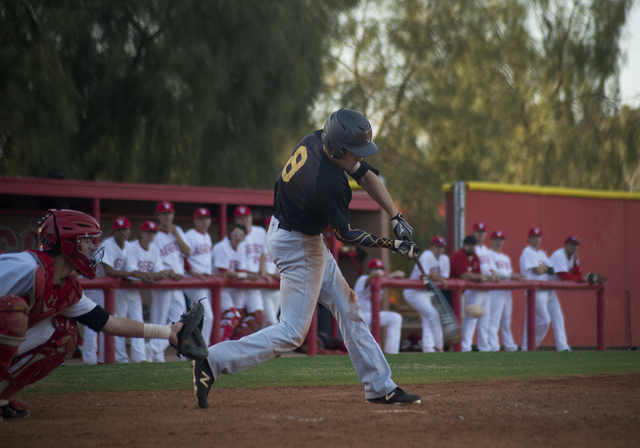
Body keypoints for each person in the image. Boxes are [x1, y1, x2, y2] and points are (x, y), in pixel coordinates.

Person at [192, 108, 421, 408]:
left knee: (348, 307)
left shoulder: (318, 139)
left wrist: (395, 216)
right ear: (338, 148)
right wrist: (393, 245)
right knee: (292, 333)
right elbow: (346, 235)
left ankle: (380, 386)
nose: (359, 157)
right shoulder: (328, 183)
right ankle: (213, 361)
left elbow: (365, 176)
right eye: (354, 152)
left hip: (294, 233)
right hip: (298, 244)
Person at [0, 210, 187, 420]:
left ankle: (1, 397)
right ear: (69, 242)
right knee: (12, 310)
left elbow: (108, 322)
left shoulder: (67, 287)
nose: (92, 248)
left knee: (64, 334)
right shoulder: (27, 267)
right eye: (87, 241)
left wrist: (168, 332)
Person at [146, 201, 191, 362]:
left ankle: (152, 350)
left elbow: (188, 252)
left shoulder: (176, 231)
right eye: (164, 213)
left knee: (181, 322)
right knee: (159, 321)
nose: (167, 216)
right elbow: (152, 259)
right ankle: (155, 356)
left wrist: (176, 234)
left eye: (170, 213)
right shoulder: (154, 234)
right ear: (157, 216)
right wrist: (168, 272)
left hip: (177, 283)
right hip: (163, 282)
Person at [117, 221, 166, 363]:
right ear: (141, 233)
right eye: (148, 232)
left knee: (138, 323)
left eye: (154, 232)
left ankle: (140, 358)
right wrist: (149, 275)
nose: (151, 235)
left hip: (133, 290)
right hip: (121, 288)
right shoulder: (131, 246)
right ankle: (120, 359)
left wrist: (161, 273)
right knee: (119, 323)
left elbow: (157, 271)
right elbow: (130, 271)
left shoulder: (154, 248)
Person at [519, 227, 570, 351]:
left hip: (547, 288)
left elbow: (552, 269)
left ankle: (562, 347)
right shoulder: (527, 252)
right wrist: (545, 268)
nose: (537, 239)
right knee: (544, 321)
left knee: (558, 316)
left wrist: (545, 268)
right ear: (529, 239)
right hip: (535, 290)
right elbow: (537, 271)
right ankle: (529, 346)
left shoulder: (542, 253)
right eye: (534, 237)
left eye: (538, 236)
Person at [403, 236, 450, 353]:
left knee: (428, 317)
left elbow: (444, 278)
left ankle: (428, 348)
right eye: (437, 246)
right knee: (433, 314)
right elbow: (423, 276)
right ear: (431, 246)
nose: (440, 249)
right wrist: (435, 276)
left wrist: (436, 276)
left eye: (442, 247)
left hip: (425, 293)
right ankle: (439, 347)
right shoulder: (427, 255)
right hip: (413, 292)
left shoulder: (444, 259)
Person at [211, 223, 257, 341]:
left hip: (226, 287)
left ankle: (224, 344)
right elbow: (224, 271)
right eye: (235, 234)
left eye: (241, 235)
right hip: (214, 286)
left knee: (235, 317)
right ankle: (218, 344)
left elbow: (239, 271)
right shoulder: (222, 247)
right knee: (230, 316)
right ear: (230, 235)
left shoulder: (241, 247)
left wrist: (241, 274)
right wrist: (246, 275)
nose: (237, 237)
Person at [450, 235, 492, 352]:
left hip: (459, 292)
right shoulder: (459, 255)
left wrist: (482, 277)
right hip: (448, 291)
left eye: (473, 245)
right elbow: (464, 275)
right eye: (468, 245)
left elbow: (476, 275)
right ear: (464, 245)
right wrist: (480, 277)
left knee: (475, 318)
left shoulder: (475, 257)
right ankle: (461, 347)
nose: (471, 247)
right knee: (451, 320)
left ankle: (480, 346)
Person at [354, 259, 404, 354]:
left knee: (395, 318)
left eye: (380, 268)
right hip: (360, 316)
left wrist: (393, 275)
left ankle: (392, 352)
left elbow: (399, 274)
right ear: (369, 269)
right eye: (375, 268)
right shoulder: (362, 279)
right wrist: (382, 274)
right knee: (366, 351)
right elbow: (375, 276)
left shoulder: (381, 280)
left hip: (373, 315)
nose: (378, 270)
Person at [487, 231, 526, 352]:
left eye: (501, 240)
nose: (499, 242)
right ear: (491, 241)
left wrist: (514, 276)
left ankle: (510, 346)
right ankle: (493, 347)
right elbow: (494, 271)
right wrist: (515, 276)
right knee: (493, 321)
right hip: (495, 291)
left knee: (506, 320)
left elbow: (508, 274)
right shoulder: (488, 254)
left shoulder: (505, 257)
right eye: (496, 239)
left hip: (506, 291)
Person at [232, 206, 266, 338]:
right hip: (239, 280)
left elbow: (263, 254)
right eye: (241, 218)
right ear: (236, 220)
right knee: (236, 318)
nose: (244, 220)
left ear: (251, 217)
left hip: (254, 279)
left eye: (246, 216)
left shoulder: (260, 232)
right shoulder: (234, 236)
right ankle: (227, 345)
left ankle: (236, 343)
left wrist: (262, 272)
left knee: (259, 317)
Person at [183, 208, 215, 346]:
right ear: (195, 220)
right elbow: (182, 257)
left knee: (195, 318)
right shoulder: (190, 235)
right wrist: (193, 273)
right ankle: (201, 347)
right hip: (193, 280)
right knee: (207, 316)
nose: (204, 221)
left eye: (206, 218)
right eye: (201, 218)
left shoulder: (207, 236)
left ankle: (188, 349)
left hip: (204, 280)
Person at [259, 216, 281, 328]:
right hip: (265, 287)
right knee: (272, 322)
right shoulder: (263, 241)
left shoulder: (282, 243)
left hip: (278, 289)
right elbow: (259, 267)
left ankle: (261, 346)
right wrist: (269, 275)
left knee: (267, 323)